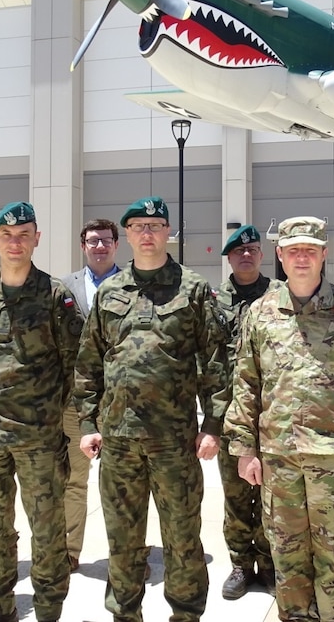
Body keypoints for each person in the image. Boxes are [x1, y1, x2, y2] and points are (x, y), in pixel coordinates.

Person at [225, 216, 334, 622]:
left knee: (333, 557)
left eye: (310, 251)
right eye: (294, 250)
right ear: (280, 255)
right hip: (278, 459)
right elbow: (246, 383)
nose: (302, 258)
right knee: (286, 555)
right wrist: (244, 449)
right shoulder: (261, 312)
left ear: (323, 255)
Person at [76, 195, 228, 622]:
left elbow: (215, 361)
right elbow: (90, 363)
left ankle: (185, 614)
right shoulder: (109, 291)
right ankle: (125, 615)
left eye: (155, 225)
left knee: (183, 538)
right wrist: (88, 423)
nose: (147, 233)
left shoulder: (193, 288)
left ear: (167, 233)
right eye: (138, 226)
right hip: (118, 440)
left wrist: (213, 424)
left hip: (175, 441)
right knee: (123, 540)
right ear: (127, 235)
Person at [0, 201, 83, 622]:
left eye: (24, 234)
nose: (16, 242)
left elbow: (74, 362)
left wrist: (44, 408)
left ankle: (48, 610)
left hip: (38, 438)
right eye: (7, 235)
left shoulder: (55, 296)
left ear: (37, 239)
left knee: (47, 530)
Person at [214, 225, 278, 600]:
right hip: (229, 414)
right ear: (229, 257)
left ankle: (268, 563)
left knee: (270, 493)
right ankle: (240, 563)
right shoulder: (212, 299)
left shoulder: (279, 295)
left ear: (261, 254)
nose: (247, 256)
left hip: (272, 414)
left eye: (253, 249)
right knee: (236, 494)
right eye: (239, 252)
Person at [60, 218, 121, 570]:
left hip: (120, 401)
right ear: (83, 245)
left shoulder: (132, 284)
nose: (100, 246)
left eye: (106, 240)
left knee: (123, 485)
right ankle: (70, 549)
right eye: (93, 241)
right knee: (74, 479)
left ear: (116, 244)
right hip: (76, 401)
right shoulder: (64, 287)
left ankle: (126, 553)